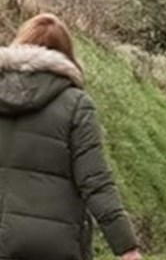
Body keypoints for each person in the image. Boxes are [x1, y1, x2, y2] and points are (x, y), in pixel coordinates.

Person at [0, 14, 141, 260]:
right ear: (67, 54)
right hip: (54, 244)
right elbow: (95, 181)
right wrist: (126, 247)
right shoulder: (75, 105)